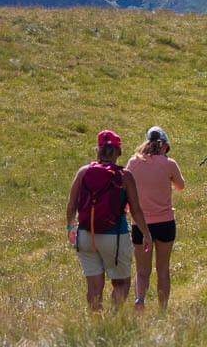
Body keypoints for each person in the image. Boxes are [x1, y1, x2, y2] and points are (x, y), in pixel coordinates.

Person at [65, 130, 152, 311]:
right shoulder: (124, 176)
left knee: (94, 289)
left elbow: (71, 205)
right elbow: (135, 209)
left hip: (86, 236)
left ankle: (97, 326)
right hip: (115, 236)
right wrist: (146, 233)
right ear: (118, 152)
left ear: (97, 150)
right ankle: (114, 322)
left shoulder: (83, 172)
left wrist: (70, 227)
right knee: (121, 284)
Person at [125, 126, 185, 311]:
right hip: (165, 222)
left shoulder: (134, 163)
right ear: (164, 146)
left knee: (142, 270)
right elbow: (180, 186)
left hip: (140, 224)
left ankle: (139, 300)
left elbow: (125, 187)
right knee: (163, 269)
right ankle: (162, 309)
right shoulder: (169, 163)